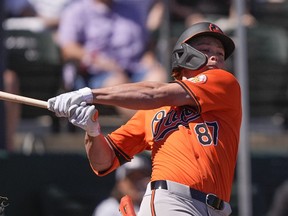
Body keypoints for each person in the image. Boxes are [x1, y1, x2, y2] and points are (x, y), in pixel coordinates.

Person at [47, 22, 242, 216]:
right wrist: (92, 132)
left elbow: (155, 92)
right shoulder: (153, 111)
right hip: (173, 202)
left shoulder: (226, 84)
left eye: (221, 53)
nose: (215, 56)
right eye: (205, 49)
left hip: (216, 209)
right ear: (185, 56)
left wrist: (89, 94)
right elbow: (103, 161)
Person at [57, 0, 167, 120]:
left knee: (158, 76)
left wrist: (149, 56)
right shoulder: (76, 11)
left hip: (134, 69)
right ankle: (148, 124)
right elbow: (68, 49)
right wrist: (97, 60)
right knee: (118, 83)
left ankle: (156, 124)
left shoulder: (131, 9)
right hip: (96, 75)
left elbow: (147, 43)